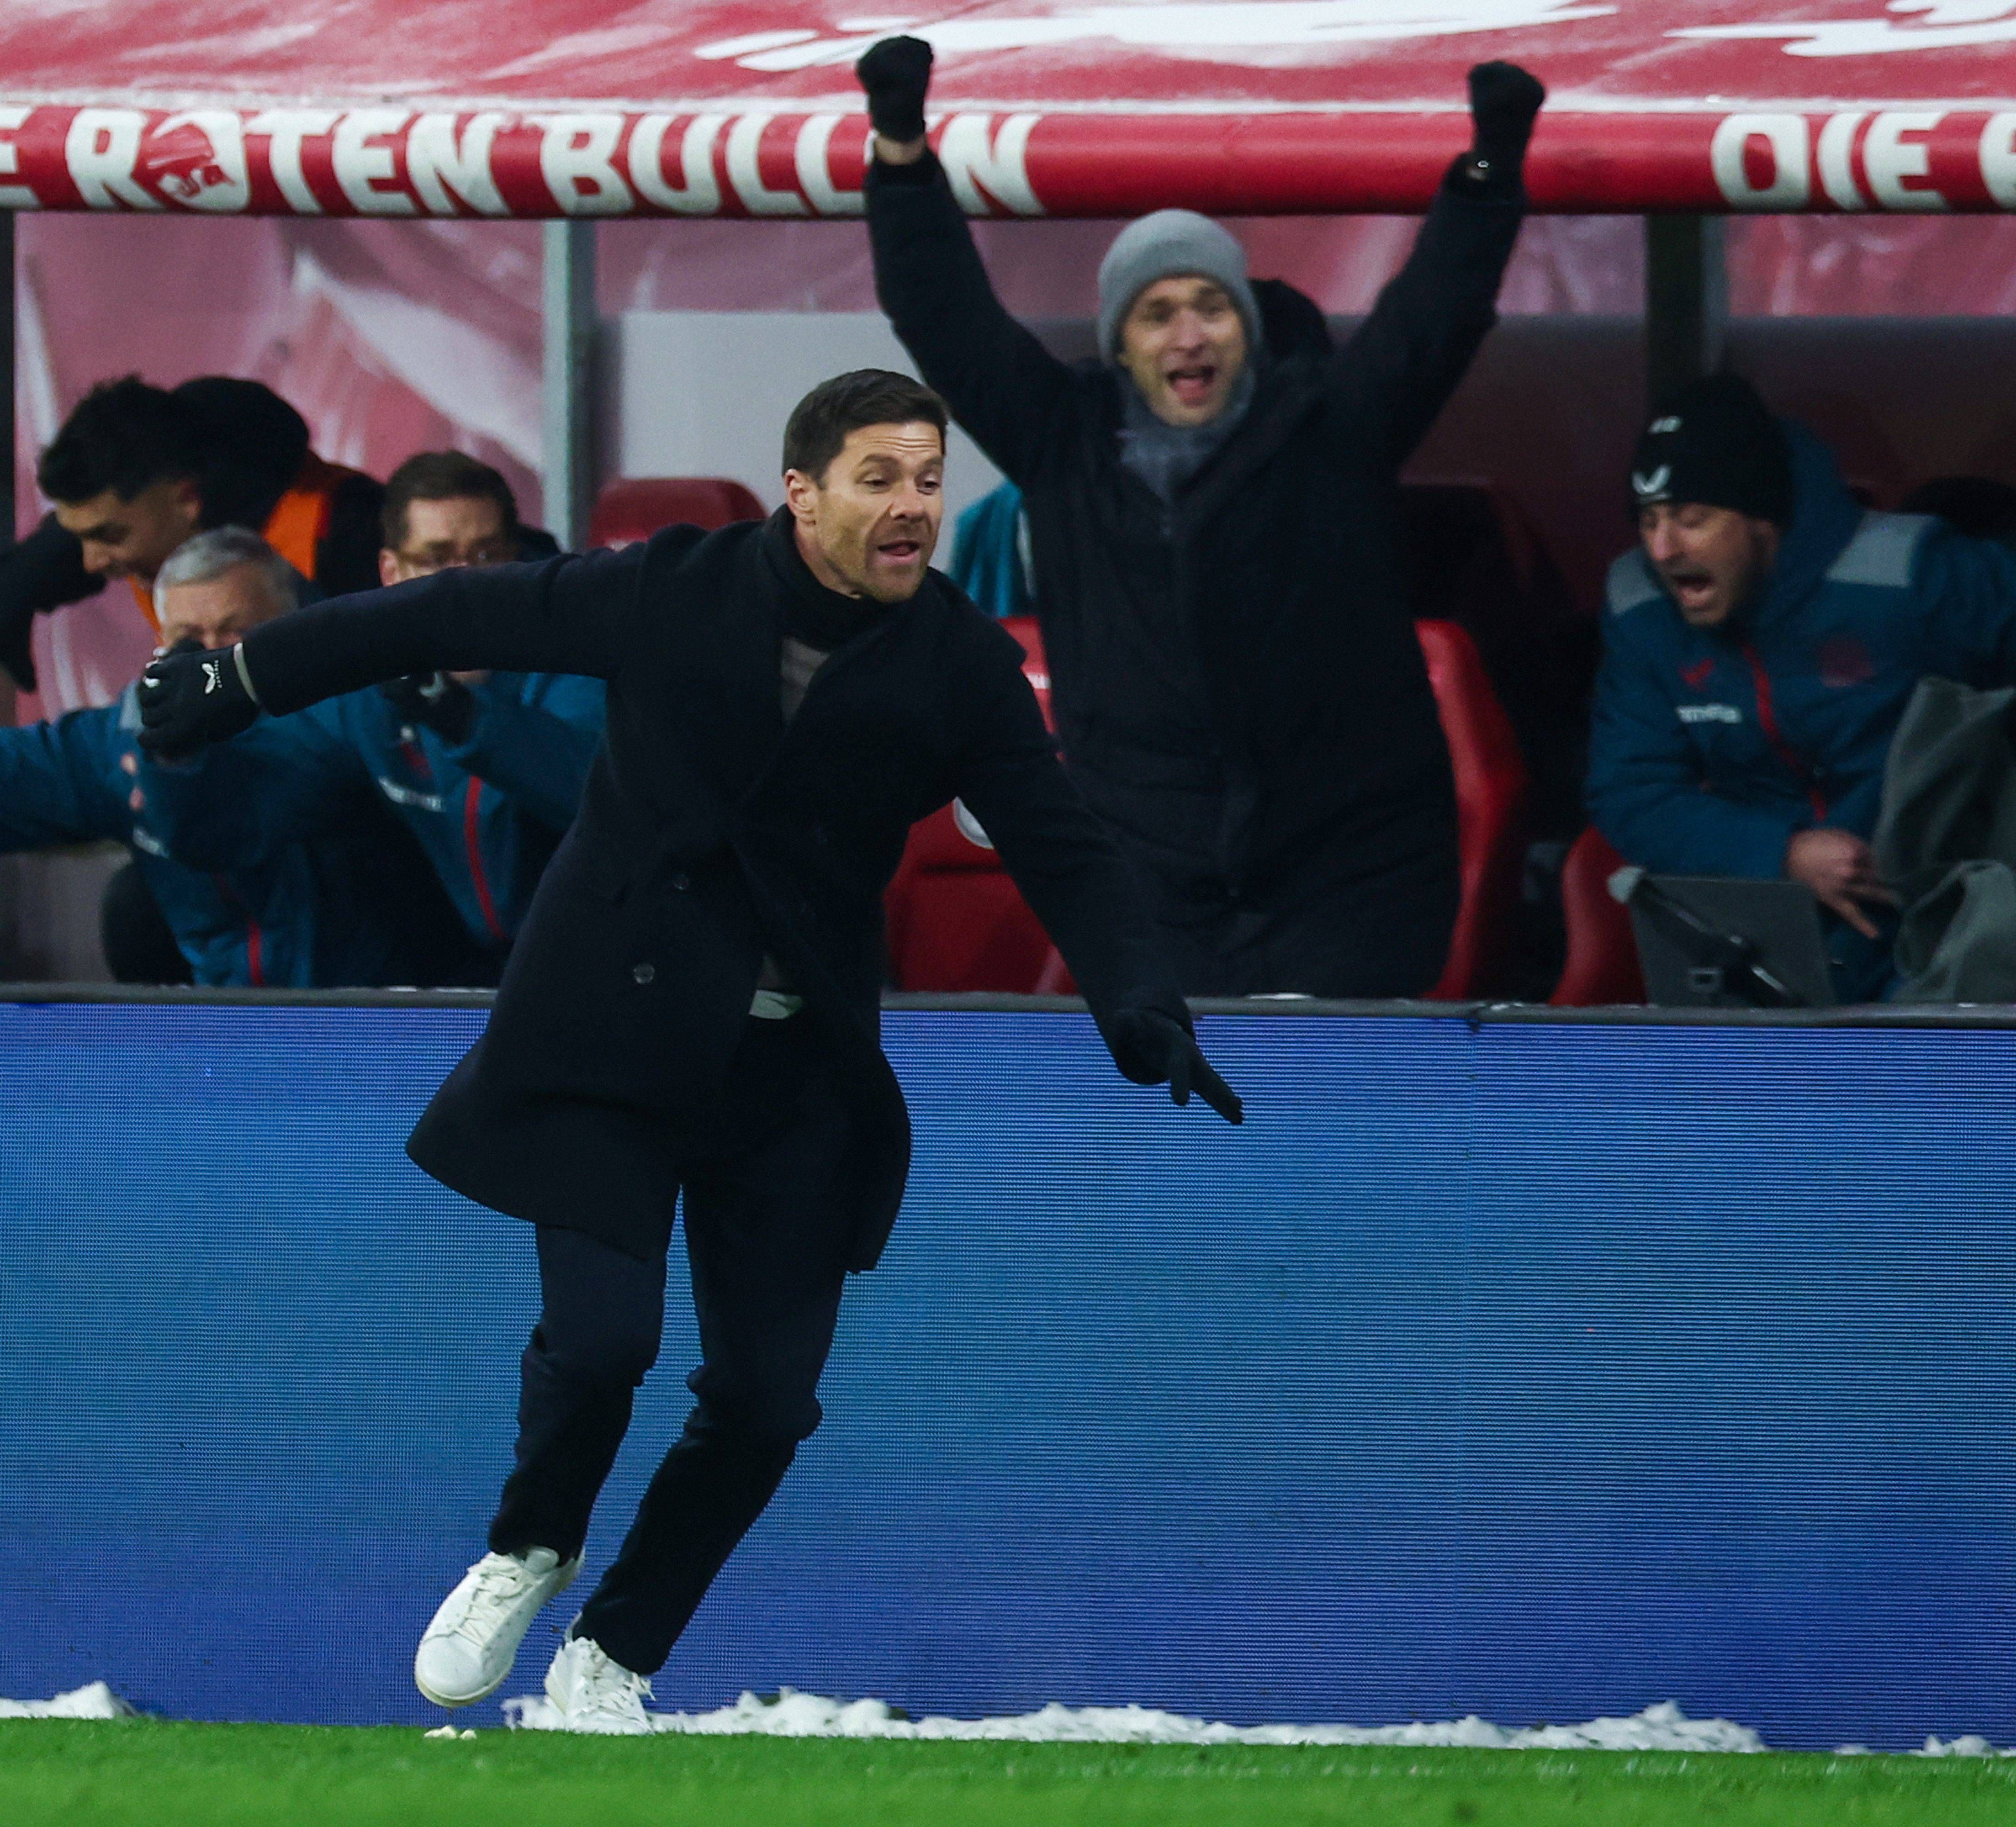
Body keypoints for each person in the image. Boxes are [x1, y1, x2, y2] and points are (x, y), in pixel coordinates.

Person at [135, 369, 1243, 1732]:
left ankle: (613, 1650)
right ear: (802, 491)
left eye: (925, 479)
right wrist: (243, 675)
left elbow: (1057, 836)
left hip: (794, 1070)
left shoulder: (955, 663)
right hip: (611, 1030)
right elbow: (445, 610)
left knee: (768, 1402)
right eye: (877, 479)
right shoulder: (670, 587)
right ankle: (528, 1546)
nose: (911, 506)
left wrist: (1141, 999)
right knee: (604, 1345)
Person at [854, 37, 1544, 998]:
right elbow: (941, 312)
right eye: (1158, 312)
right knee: (1179, 1141)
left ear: (1246, 332)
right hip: (1151, 884)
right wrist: (899, 152)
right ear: (1122, 345)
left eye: (1212, 305)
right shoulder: (1063, 443)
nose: (1188, 333)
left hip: (1351, 876)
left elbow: (1439, 312)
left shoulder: (1333, 430)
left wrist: (1488, 168)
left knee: (1327, 1130)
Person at [1584, 373, 2016, 1003]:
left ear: (1764, 521)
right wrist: (1782, 854)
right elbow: (1630, 790)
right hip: (1753, 937)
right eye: (1649, 520)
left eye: (1692, 519)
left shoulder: (1905, 578)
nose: (1662, 547)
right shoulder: (1641, 612)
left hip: (1928, 932)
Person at [139, 454, 606, 970]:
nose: (465, 580)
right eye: (437, 557)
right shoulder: (370, 688)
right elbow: (232, 827)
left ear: (516, 562)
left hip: (610, 963)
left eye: (486, 555)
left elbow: (605, 797)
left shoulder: (576, 652)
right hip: (472, 982)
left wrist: (463, 715)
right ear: (392, 571)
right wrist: (176, 756)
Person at [0, 528, 457, 988]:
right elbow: (25, 775)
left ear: (294, 625)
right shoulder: (123, 736)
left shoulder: (349, 720)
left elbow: (233, 806)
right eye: (188, 639)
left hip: (379, 1017)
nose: (209, 656)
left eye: (237, 633)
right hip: (224, 1027)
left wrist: (172, 770)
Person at [1, 375, 385, 690]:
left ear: (187, 498)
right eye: (78, 536)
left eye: (109, 537)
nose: (91, 560)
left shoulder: (353, 538)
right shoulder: (130, 507)